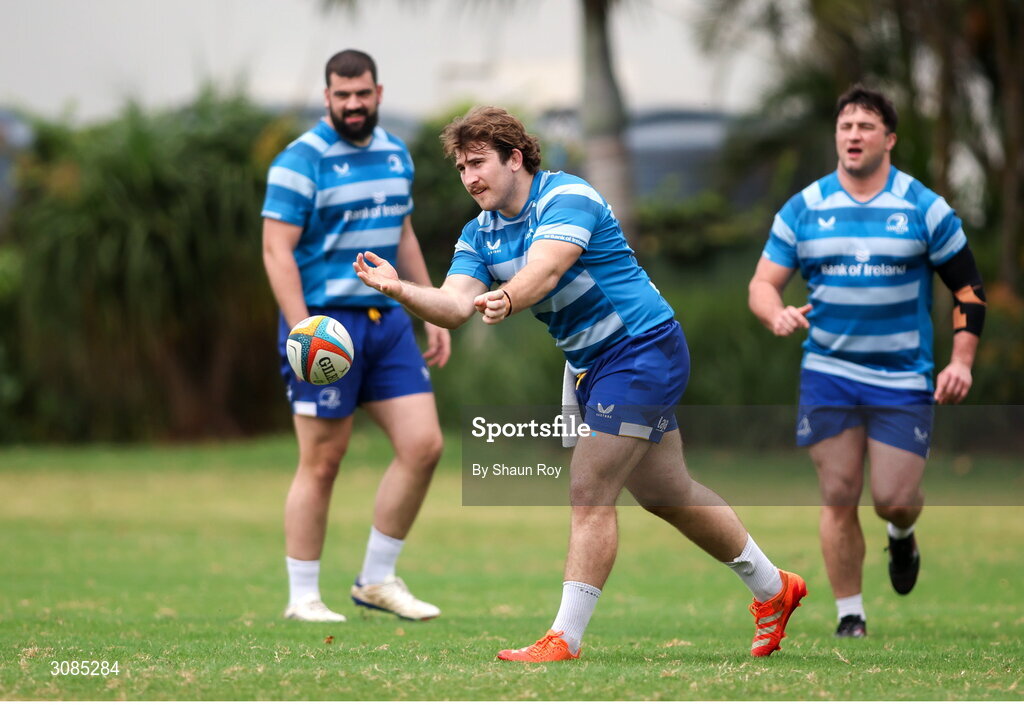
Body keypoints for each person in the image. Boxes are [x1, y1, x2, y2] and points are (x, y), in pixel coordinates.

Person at [353, 106, 806, 661]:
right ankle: (774, 589)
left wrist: (509, 296)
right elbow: (451, 306)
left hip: (642, 348)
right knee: (668, 493)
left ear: (514, 158)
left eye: (478, 163)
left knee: (589, 490)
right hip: (592, 366)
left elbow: (546, 269)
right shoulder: (480, 233)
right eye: (460, 168)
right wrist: (399, 290)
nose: (469, 178)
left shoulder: (567, 196)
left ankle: (563, 639)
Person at [748, 85, 986, 638]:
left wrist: (963, 362)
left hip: (903, 375)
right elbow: (762, 283)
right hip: (829, 370)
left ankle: (902, 536)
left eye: (866, 126)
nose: (853, 135)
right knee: (838, 493)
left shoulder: (925, 208)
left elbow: (969, 290)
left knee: (894, 499)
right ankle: (850, 613)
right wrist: (774, 313)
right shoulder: (805, 208)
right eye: (845, 126)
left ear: (890, 139)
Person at [261, 49, 450, 623]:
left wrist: (432, 307)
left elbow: (404, 234)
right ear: (327, 98)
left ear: (378, 93)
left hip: (387, 321)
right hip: (323, 324)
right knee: (323, 460)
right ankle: (302, 597)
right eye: (341, 95)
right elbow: (276, 250)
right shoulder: (300, 161)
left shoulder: (396, 153)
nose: (352, 104)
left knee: (424, 447)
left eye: (361, 94)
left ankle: (376, 579)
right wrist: (302, 329)